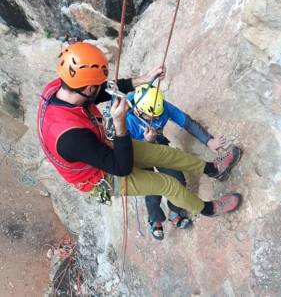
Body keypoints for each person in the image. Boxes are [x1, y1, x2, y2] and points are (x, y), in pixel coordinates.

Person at [37, 42, 242, 236]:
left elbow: (103, 91)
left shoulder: (64, 86)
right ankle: (209, 209)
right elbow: (121, 168)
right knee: (167, 184)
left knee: (165, 153)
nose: (101, 87)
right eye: (97, 84)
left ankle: (213, 169)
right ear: (88, 88)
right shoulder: (70, 137)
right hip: (99, 177)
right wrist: (119, 124)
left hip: (98, 146)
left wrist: (143, 79)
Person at [125, 85, 241, 240]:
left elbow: (186, 122)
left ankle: (175, 212)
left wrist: (208, 141)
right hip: (135, 155)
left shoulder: (159, 105)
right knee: (153, 188)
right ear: (139, 112)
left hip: (157, 144)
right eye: (152, 118)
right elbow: (123, 149)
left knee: (178, 181)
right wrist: (146, 141)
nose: (158, 120)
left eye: (159, 116)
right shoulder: (126, 119)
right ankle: (155, 219)